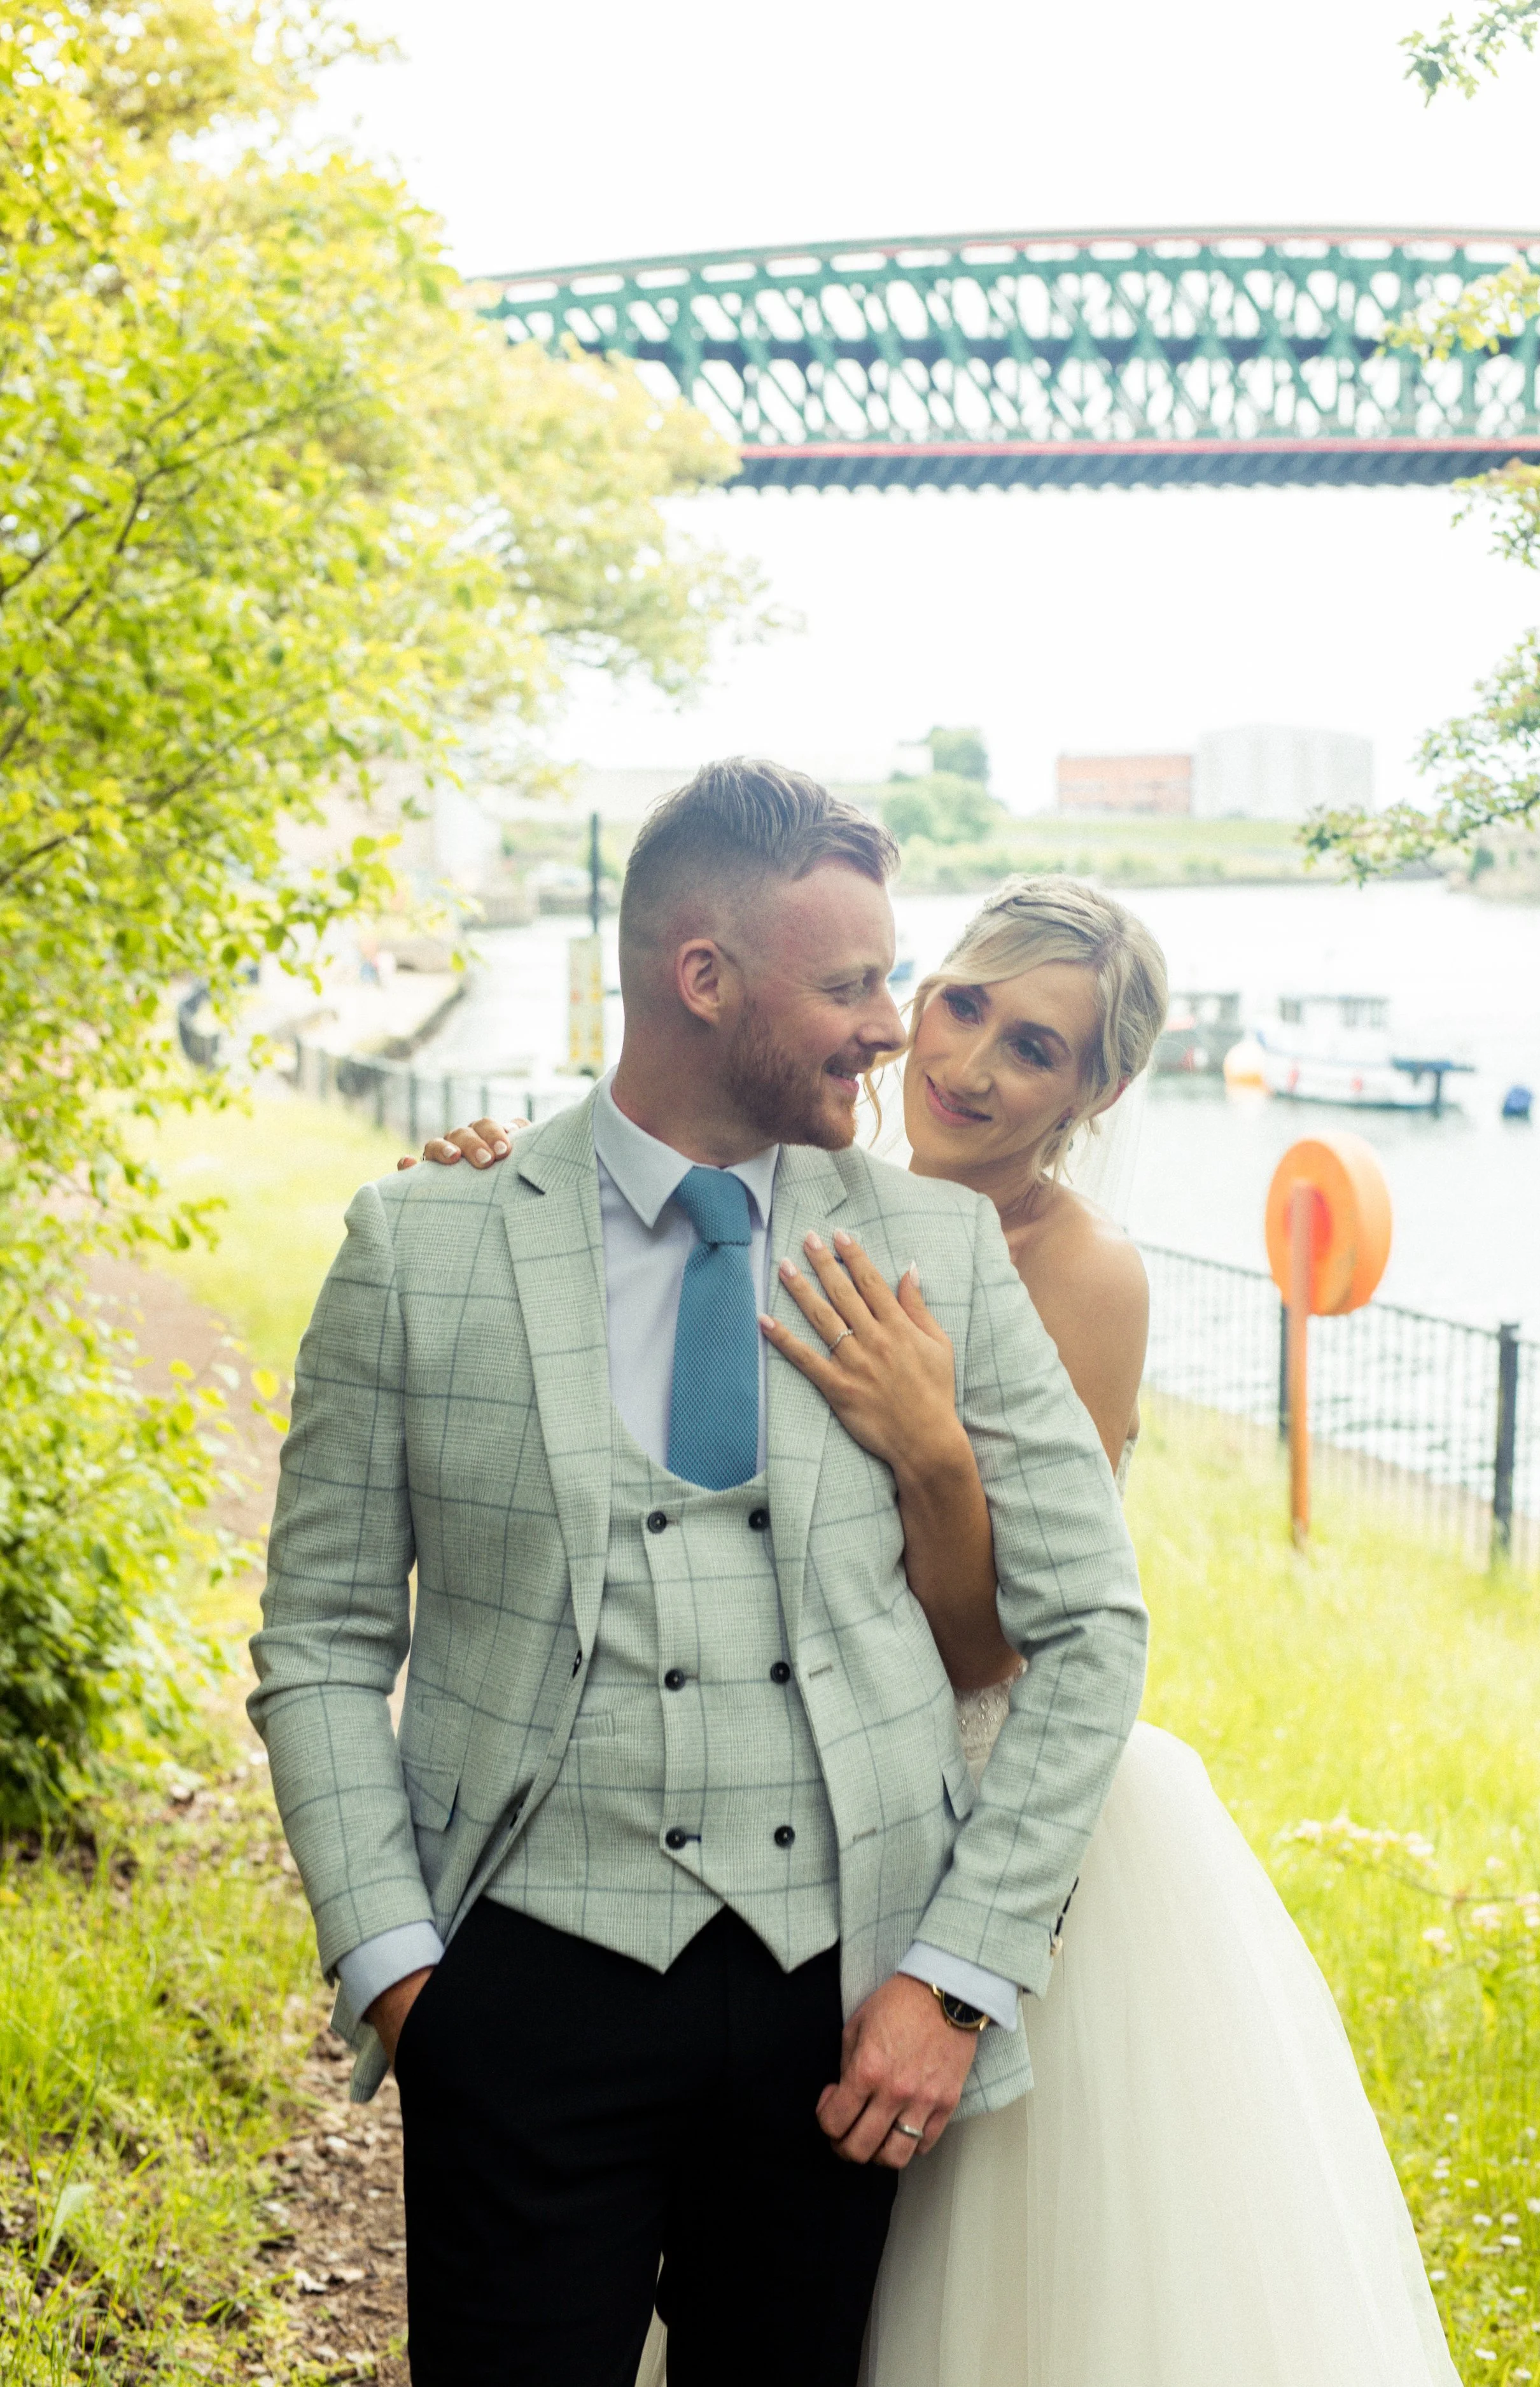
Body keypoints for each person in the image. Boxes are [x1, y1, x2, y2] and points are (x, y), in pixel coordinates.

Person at [433, 873, 1461, 2387]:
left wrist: (930, 1448)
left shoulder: (1079, 1275)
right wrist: (494, 1168)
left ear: (1095, 1089)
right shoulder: (796, 1165)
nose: (968, 1065)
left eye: (1033, 1048)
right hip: (759, 1810)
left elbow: (998, 1654)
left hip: (982, 1797)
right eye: (961, 1005)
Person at [250, 762, 1147, 2387]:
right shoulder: (420, 1241)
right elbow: (317, 1638)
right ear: (701, 976)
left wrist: (949, 1986)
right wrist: (396, 1974)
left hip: (843, 2011)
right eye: (854, 985)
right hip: (517, 1989)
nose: (891, 1031)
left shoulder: (938, 1251)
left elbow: (1086, 1628)